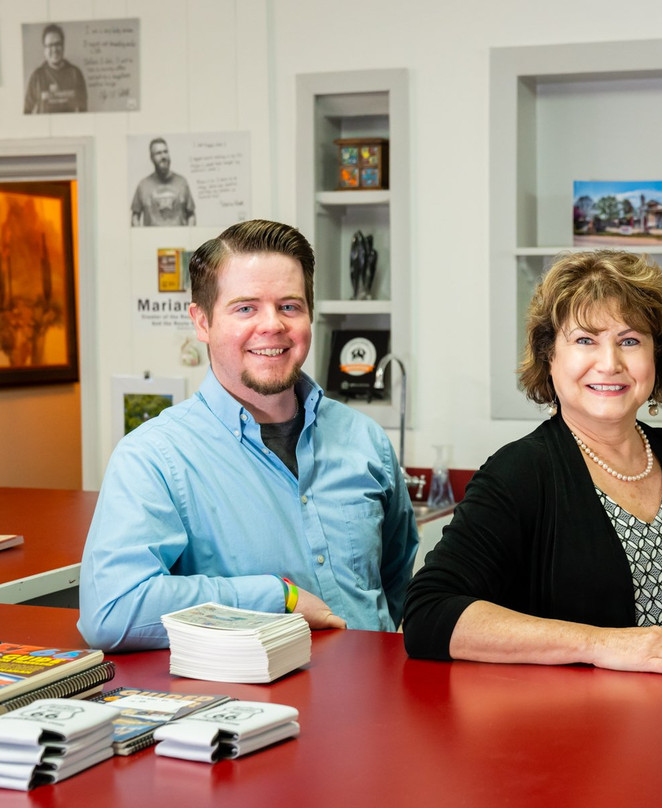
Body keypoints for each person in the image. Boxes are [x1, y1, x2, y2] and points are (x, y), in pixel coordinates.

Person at [403, 250, 662, 676]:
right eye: (585, 340)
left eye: (630, 340)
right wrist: (599, 643)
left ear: (657, 355)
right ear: (549, 356)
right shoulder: (520, 473)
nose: (610, 363)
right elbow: (429, 612)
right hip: (593, 719)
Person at [79, 219, 418, 651]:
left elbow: (393, 583)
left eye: (289, 306)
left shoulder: (364, 440)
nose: (272, 324)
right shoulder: (153, 458)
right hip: (253, 695)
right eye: (245, 308)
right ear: (202, 322)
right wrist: (278, 597)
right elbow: (112, 611)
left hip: (373, 690)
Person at [130, 138, 197, 226]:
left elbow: (191, 215)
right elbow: (135, 217)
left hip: (179, 235)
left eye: (165, 152)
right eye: (158, 153)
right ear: (151, 158)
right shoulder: (143, 185)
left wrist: (189, 232)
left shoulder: (182, 182)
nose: (163, 156)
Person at [24, 24, 87, 114]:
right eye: (50, 45)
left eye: (58, 44)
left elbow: (84, 112)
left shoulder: (76, 74)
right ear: (44, 50)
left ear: (63, 46)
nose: (54, 49)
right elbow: (26, 112)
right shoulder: (37, 77)